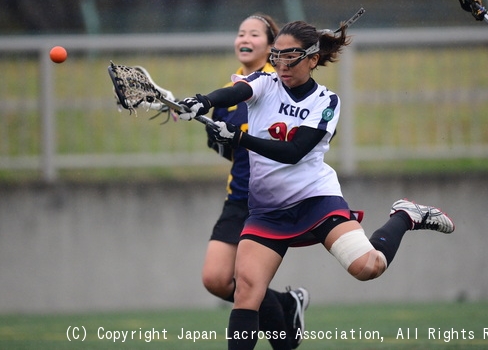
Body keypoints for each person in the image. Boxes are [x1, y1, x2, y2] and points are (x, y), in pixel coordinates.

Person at [179, 19, 455, 350]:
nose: (282, 65)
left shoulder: (326, 102)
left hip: (316, 201)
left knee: (369, 267)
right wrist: (203, 101)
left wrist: (240, 137)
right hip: (267, 210)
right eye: (277, 56)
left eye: (291, 57)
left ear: (312, 58)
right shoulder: (265, 83)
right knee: (247, 290)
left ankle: (405, 216)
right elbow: (237, 91)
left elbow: (294, 152)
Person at [201, 13, 309, 350]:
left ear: (270, 44)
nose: (244, 38)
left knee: (248, 285)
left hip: (269, 199)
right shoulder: (230, 90)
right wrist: (207, 124)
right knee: (217, 280)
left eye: (254, 33)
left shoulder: (275, 84)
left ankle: (283, 338)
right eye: (240, 32)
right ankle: (287, 305)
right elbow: (229, 152)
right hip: (238, 196)